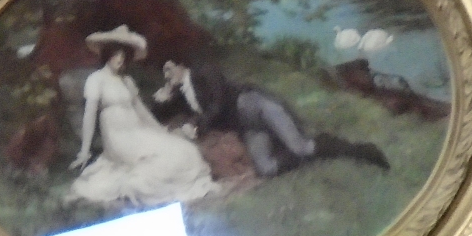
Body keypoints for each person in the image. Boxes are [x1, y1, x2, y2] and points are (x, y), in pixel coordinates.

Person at [154, 58, 388, 177]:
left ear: (179, 65)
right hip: (246, 125)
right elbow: (164, 113)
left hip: (254, 105)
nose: (167, 75)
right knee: (265, 169)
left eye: (168, 69)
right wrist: (161, 99)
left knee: (302, 149)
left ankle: (361, 151)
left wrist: (199, 126)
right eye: (164, 72)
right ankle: (300, 151)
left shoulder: (203, 73)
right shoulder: (181, 95)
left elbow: (218, 102)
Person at [69, 26, 220, 208]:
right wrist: (84, 151)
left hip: (139, 133)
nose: (120, 59)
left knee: (185, 151)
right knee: (159, 162)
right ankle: (137, 185)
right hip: (119, 139)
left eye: (124, 55)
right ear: (107, 54)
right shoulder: (96, 79)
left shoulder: (127, 81)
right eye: (116, 54)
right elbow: (89, 116)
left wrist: (162, 133)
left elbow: (142, 112)